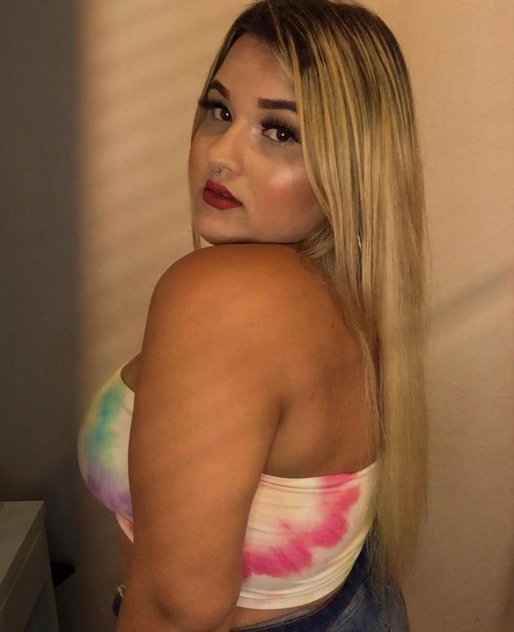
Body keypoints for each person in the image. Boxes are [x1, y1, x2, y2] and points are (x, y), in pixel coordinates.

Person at [78, 0, 428, 630]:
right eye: (219, 110)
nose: (221, 153)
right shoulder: (345, 287)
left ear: (351, 165)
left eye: (280, 131)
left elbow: (179, 610)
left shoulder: (221, 296)